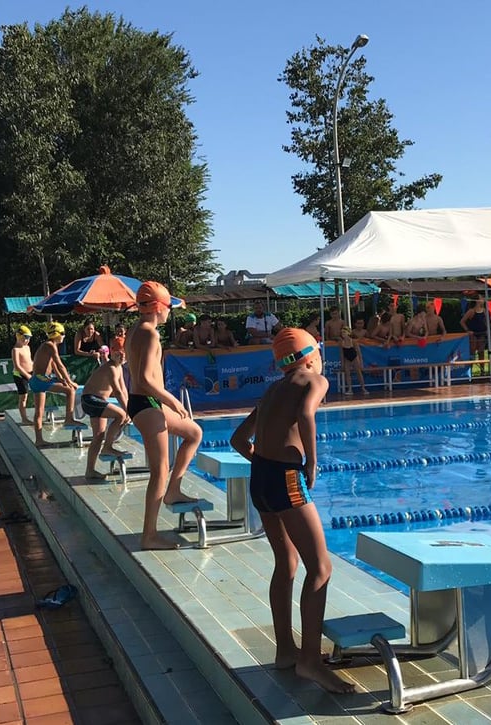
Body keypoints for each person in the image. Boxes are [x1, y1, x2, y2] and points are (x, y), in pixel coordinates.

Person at [229, 327, 356, 695]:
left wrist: (263, 462)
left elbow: (239, 439)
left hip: (261, 478)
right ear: (311, 354)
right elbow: (305, 414)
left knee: (286, 564)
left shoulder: (272, 390)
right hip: (285, 479)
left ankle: (286, 650)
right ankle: (310, 662)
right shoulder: (314, 379)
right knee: (320, 568)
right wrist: (311, 463)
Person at [127, 281, 203, 550]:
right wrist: (170, 400)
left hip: (144, 403)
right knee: (159, 470)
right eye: (169, 306)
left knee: (194, 432)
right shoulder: (150, 334)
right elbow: (145, 379)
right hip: (147, 403)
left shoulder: (136, 329)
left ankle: (173, 492)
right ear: (159, 307)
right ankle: (149, 535)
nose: (171, 311)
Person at [82, 347, 131, 479]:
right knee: (120, 415)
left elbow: (124, 390)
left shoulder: (119, 368)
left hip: (96, 401)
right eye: (118, 353)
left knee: (98, 436)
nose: (121, 356)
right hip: (90, 400)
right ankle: (108, 447)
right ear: (112, 354)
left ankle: (90, 471)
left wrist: (129, 408)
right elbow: (117, 391)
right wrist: (127, 411)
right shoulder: (110, 368)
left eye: (124, 353)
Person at [30, 322, 80, 442]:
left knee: (39, 412)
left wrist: (62, 380)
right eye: (62, 333)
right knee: (70, 391)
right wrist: (70, 382)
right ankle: (68, 419)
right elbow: (60, 365)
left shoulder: (47, 346)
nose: (64, 336)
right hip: (41, 379)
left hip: (36, 379)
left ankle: (39, 440)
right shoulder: (50, 345)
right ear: (56, 334)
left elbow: (54, 366)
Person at [11, 326, 35, 423]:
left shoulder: (27, 347)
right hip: (19, 375)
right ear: (19, 336)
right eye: (25, 337)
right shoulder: (15, 350)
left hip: (30, 373)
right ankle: (24, 419)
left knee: (38, 392)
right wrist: (27, 375)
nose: (27, 340)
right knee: (23, 396)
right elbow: (17, 366)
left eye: (29, 338)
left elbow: (29, 361)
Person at [338, 326, 368, 395]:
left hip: (354, 357)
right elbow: (341, 354)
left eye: (344, 332)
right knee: (347, 374)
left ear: (348, 333)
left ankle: (363, 388)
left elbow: (359, 352)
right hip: (347, 359)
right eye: (342, 332)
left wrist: (361, 362)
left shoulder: (353, 341)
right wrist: (342, 364)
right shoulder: (341, 343)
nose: (343, 334)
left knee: (358, 373)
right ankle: (350, 389)